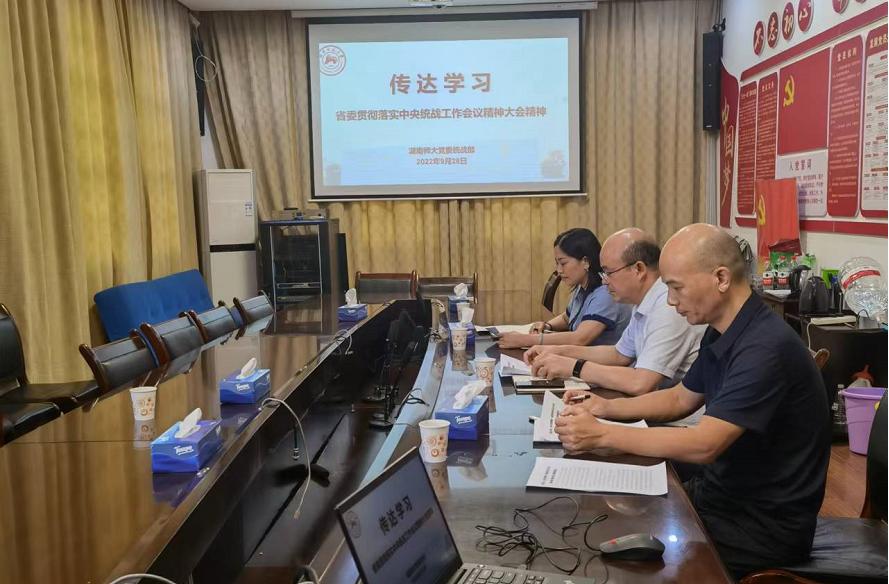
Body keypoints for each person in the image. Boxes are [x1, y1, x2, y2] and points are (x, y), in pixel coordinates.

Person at [554, 224, 831, 578]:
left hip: (759, 526)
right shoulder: (722, 331)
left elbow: (704, 444)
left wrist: (603, 434)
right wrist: (605, 408)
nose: (671, 301)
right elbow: (680, 398)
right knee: (603, 518)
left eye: (676, 287)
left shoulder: (764, 347)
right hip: (720, 496)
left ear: (721, 278)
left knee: (614, 566)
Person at [525, 228, 705, 396]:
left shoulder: (667, 307)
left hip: (675, 414)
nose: (604, 281)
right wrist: (557, 351)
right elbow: (619, 355)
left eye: (609, 273)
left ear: (639, 269)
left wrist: (574, 367)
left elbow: (641, 383)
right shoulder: (644, 302)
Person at [497, 228, 630, 349]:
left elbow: (580, 339)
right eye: (557, 263)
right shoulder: (583, 287)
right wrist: (548, 325)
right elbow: (567, 318)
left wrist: (526, 340)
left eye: (563, 263)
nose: (559, 270)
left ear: (585, 262)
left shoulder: (606, 293)